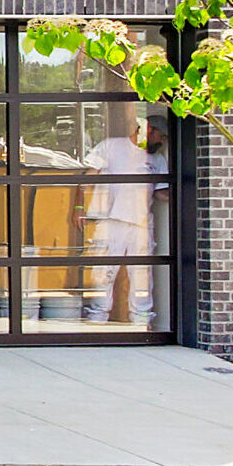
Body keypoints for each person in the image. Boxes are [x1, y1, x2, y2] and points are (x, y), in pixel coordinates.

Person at [78, 107, 168, 325]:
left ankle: (141, 319)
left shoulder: (157, 160)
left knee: (141, 274)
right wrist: (78, 209)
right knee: (103, 271)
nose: (162, 141)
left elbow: (162, 193)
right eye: (160, 136)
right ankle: (97, 318)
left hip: (141, 224)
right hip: (111, 220)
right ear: (148, 130)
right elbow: (87, 179)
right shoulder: (111, 146)